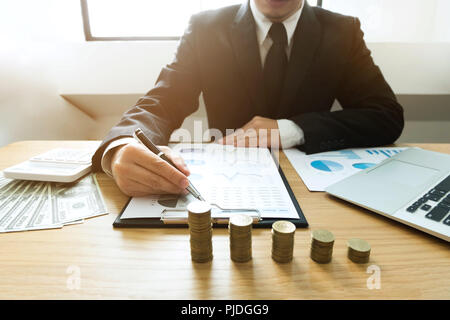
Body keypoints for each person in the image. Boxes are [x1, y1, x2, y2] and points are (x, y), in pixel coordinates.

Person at [91, 0, 404, 197]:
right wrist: (120, 147)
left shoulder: (342, 30)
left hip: (312, 190)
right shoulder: (205, 27)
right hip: (224, 185)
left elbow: (385, 115)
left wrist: (288, 130)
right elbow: (165, 98)